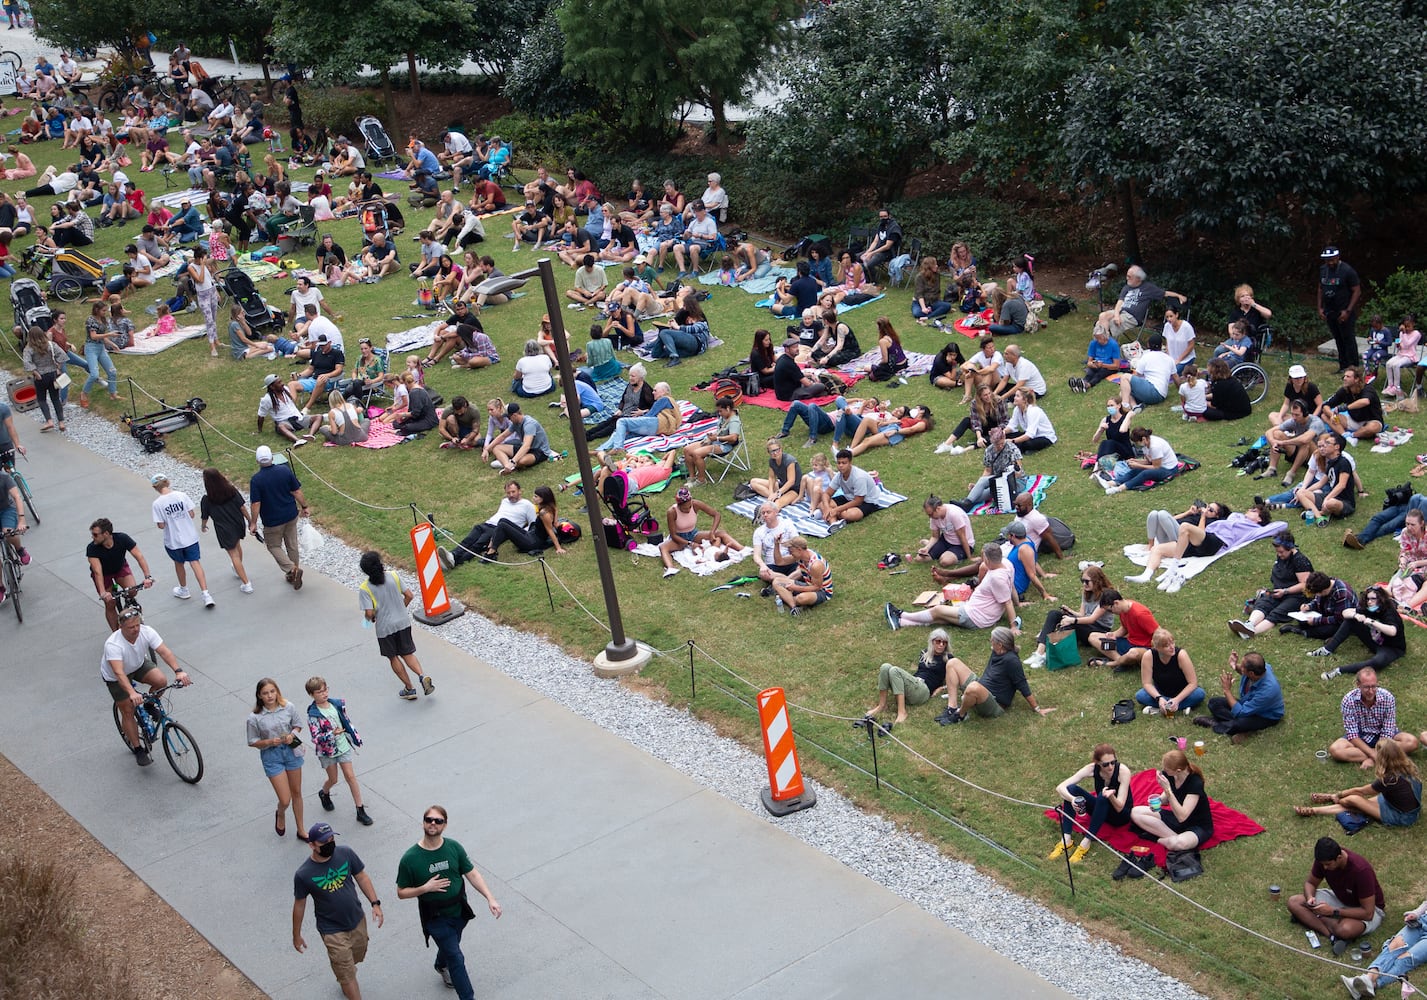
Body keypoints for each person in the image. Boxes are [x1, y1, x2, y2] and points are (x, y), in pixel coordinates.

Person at [395, 806, 503, 999]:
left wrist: (490, 898)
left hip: (459, 911)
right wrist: (425, 888)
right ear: (423, 823)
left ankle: (440, 965)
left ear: (445, 825)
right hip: (435, 918)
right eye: (429, 820)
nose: (433, 824)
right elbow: (401, 892)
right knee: (456, 957)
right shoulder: (410, 858)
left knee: (452, 946)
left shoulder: (454, 847)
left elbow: (472, 873)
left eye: (438, 821)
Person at [293, 821, 383, 1000]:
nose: (329, 844)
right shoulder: (303, 874)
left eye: (332, 839)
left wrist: (375, 903)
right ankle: (345, 978)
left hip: (357, 919)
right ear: (311, 845)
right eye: (324, 842)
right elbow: (299, 904)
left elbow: (362, 877)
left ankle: (345, 975)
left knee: (357, 955)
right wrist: (296, 934)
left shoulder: (345, 853)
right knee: (347, 973)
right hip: (332, 930)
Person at [102, 607, 191, 766]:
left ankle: (149, 705)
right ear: (121, 627)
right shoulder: (113, 644)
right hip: (117, 676)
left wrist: (179, 671)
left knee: (161, 681)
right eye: (131, 627)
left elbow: (164, 651)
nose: (136, 629)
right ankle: (138, 749)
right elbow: (119, 673)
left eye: (137, 625)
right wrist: (131, 693)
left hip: (137, 664)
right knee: (128, 710)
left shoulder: (146, 631)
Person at [886, 543, 1018, 632]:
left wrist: (1013, 626)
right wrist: (1020, 603)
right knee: (941, 618)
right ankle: (902, 622)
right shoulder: (1007, 564)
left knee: (937, 610)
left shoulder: (996, 578)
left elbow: (1007, 602)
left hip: (976, 616)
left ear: (988, 560)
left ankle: (901, 614)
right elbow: (1011, 587)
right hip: (977, 610)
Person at [1287, 837, 1385, 956]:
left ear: (1339, 858)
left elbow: (1368, 913)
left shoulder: (1361, 871)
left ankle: (1310, 917)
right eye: (1322, 864)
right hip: (1340, 897)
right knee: (1294, 902)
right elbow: (1310, 883)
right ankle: (1332, 936)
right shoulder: (1323, 860)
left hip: (1369, 909)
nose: (1325, 868)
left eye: (1328, 864)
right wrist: (1309, 898)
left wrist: (1333, 912)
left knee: (1345, 929)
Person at [357, 550, 433, 700]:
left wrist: (369, 619)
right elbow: (409, 595)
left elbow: (369, 613)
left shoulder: (365, 588)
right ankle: (422, 675)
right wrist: (400, 608)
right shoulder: (394, 575)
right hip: (403, 622)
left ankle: (409, 689)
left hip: (385, 628)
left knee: (393, 657)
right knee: (407, 653)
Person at [1297, 739, 1421, 829]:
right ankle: (1320, 805)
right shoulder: (1407, 768)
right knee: (1356, 804)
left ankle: (1323, 804)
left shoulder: (1390, 779)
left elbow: (1361, 791)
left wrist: (1341, 796)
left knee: (1352, 800)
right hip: (1395, 804)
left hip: (1400, 816)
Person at [939, 627, 1053, 723]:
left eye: (992, 640)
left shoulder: (1012, 661)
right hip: (981, 687)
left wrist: (1037, 708)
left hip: (994, 702)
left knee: (973, 687)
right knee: (952, 663)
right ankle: (952, 707)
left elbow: (1022, 684)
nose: (990, 641)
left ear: (1000, 644)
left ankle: (960, 715)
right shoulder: (996, 651)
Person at [305, 676, 372, 826]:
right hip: (327, 751)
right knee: (333, 779)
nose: (324, 694)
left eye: (325, 690)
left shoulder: (335, 705)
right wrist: (331, 734)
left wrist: (352, 735)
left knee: (350, 776)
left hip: (343, 746)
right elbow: (316, 737)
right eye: (319, 692)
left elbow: (345, 721)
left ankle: (360, 810)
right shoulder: (313, 715)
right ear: (312, 695)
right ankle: (324, 793)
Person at [1050, 744, 1133, 864]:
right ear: (1098, 763)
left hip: (1120, 816)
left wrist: (1111, 796)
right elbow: (1061, 787)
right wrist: (1072, 799)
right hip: (1101, 808)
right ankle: (1066, 839)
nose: (1110, 767)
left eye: (1113, 762)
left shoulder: (1123, 771)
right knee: (1072, 789)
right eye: (1105, 764)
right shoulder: (1091, 769)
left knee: (1102, 796)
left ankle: (1086, 842)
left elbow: (1120, 807)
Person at [248, 678, 309, 839]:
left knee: (297, 792)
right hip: (272, 755)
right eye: (265, 693)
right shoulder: (255, 717)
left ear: (277, 691)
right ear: (259, 696)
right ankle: (280, 812)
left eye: (272, 691)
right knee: (285, 799)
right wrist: (268, 741)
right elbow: (252, 741)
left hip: (290, 751)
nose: (270, 696)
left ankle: (301, 829)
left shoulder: (288, 707)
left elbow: (298, 725)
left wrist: (292, 735)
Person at [1024, 565, 1116, 669]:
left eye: (1087, 581)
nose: (1084, 584)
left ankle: (1050, 654)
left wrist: (1072, 620)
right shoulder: (1087, 592)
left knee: (1070, 623)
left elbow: (1092, 619)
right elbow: (1082, 615)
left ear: (1096, 581)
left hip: (1098, 629)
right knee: (1054, 614)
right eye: (1082, 581)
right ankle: (1039, 652)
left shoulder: (1106, 596)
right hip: (1086, 624)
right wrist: (1069, 611)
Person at [1128, 749, 1213, 862]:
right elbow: (1166, 799)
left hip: (1197, 825)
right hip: (1175, 819)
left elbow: (1182, 816)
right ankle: (1172, 837)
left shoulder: (1195, 783)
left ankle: (1160, 839)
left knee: (1178, 843)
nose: (1164, 770)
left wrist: (1167, 790)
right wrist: (1158, 800)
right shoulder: (1170, 776)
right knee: (1135, 812)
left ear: (1178, 770)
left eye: (1166, 769)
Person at [1228, 531, 1313, 638]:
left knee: (1277, 613)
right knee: (1264, 603)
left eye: (1281, 552)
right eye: (1277, 552)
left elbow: (1305, 585)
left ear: (1290, 548)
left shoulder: (1300, 560)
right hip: (1279, 591)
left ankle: (1250, 633)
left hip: (1297, 596)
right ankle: (1249, 624)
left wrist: (1285, 591)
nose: (1279, 554)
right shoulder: (1283, 557)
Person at [248, 444, 310, 590]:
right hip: (290, 514)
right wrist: (305, 506)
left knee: (273, 545)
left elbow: (256, 503)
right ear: (272, 457)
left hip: (272, 520)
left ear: (257, 461)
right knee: (292, 544)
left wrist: (253, 522)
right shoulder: (284, 471)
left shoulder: (256, 480)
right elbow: (296, 492)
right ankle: (293, 573)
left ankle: (291, 569)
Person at [1329, 669, 1419, 768]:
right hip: (1361, 736)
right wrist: (1373, 755)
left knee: (1412, 742)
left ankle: (1369, 756)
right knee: (1335, 750)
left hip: (1383, 735)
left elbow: (1388, 730)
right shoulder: (1348, 700)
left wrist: (1373, 756)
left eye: (1374, 686)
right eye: (1367, 687)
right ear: (1358, 685)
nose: (1371, 691)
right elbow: (1352, 734)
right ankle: (1386, 756)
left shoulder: (1387, 697)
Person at [862, 630, 953, 727]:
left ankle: (902, 712)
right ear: (932, 641)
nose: (941, 645)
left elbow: (953, 679)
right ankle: (882, 705)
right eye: (938, 641)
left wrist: (941, 688)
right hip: (914, 684)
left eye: (944, 642)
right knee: (885, 667)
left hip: (923, 691)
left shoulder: (948, 658)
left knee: (895, 670)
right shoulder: (925, 653)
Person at [1312, 586, 1406, 680]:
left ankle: (1339, 670)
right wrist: (1356, 615)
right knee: (1350, 620)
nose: (1369, 602)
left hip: (1391, 647)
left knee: (1378, 662)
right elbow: (1345, 612)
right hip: (1375, 640)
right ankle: (1327, 649)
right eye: (1368, 599)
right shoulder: (1369, 608)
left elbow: (1392, 631)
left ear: (1381, 599)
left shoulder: (1389, 612)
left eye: (1373, 599)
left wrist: (1373, 622)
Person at [149, 473, 213, 608]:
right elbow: (191, 513)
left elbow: (161, 525)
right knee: (195, 562)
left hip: (173, 540)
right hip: (189, 536)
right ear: (168, 482)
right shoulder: (181, 495)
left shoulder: (157, 504)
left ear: (155, 488)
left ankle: (184, 589)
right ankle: (206, 594)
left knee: (179, 563)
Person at [1341, 900, 1427, 999]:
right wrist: (1415, 913)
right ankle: (1368, 978)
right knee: (1393, 946)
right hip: (1422, 921)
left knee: (1404, 959)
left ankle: (1372, 985)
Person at [1194, 650, 1285, 743]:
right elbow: (1244, 672)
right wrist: (1235, 666)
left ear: (1251, 674)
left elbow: (1241, 712)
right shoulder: (1261, 669)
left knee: (1239, 724)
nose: (1240, 667)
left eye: (1242, 667)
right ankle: (1233, 725)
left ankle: (1218, 724)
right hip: (1248, 703)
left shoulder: (1268, 691)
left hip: (1264, 715)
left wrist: (1227, 690)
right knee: (1214, 703)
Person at [87, 517, 157, 631]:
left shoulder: (122, 538)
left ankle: (129, 601)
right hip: (104, 575)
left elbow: (139, 556)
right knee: (110, 603)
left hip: (119, 568)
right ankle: (116, 634)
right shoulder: (92, 548)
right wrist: (103, 593)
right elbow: (97, 571)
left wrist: (147, 577)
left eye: (95, 535)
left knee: (132, 591)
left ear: (106, 534)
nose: (92, 537)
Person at [657, 487, 744, 579]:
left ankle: (742, 549)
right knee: (663, 547)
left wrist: (712, 532)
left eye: (689, 507)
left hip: (693, 534)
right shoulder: (672, 512)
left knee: (721, 533)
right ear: (679, 505)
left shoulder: (696, 504)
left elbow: (716, 515)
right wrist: (690, 544)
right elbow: (674, 535)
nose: (687, 510)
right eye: (684, 509)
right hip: (679, 539)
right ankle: (671, 568)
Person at [199, 467, 253, 594]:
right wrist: (250, 520)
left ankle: (246, 583)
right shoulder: (231, 490)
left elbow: (204, 516)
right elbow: (243, 508)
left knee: (233, 554)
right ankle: (238, 567)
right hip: (237, 523)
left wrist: (203, 526)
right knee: (237, 545)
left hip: (224, 529)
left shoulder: (207, 499)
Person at [1133, 628, 1205, 716]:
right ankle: (1175, 708)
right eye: (1166, 646)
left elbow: (1193, 683)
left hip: (1181, 692)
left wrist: (1177, 699)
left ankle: (1164, 708)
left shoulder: (1181, 655)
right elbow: (1147, 683)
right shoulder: (1149, 656)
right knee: (1140, 695)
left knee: (1199, 694)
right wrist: (1159, 698)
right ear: (1157, 648)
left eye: (1172, 642)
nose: (1172, 647)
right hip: (1160, 691)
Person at [1093, 265, 1175, 341]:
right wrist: (1117, 315)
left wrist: (1179, 296)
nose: (1127, 278)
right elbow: (1120, 302)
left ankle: (1102, 347)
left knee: (1102, 324)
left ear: (1138, 278)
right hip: (1121, 312)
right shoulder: (1127, 287)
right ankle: (1105, 345)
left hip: (1132, 317)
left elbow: (1165, 293)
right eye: (1127, 276)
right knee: (1102, 316)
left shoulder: (1148, 288)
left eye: (1129, 277)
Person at [1086, 589, 1160, 672]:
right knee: (1093, 637)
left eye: (1110, 610)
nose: (1111, 613)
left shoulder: (1140, 613)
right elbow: (1125, 628)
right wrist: (1114, 635)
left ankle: (1112, 663)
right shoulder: (1123, 610)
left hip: (1144, 648)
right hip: (1129, 642)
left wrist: (1155, 655)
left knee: (1133, 653)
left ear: (1116, 603)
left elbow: (1159, 633)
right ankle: (1123, 661)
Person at [954, 426, 1021, 510]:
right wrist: (979, 486)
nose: (1000, 446)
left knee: (987, 488)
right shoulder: (989, 450)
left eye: (1002, 443)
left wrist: (1013, 470)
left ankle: (965, 503)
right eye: (997, 444)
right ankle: (967, 503)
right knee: (987, 487)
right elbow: (988, 471)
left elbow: (1018, 473)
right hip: (998, 480)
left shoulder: (1012, 449)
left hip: (1014, 481)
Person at [1319, 247, 1363, 370]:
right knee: (1338, 338)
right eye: (1327, 260)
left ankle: (1353, 366)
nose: (1330, 263)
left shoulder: (1347, 271)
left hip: (1344, 311)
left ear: (1338, 257)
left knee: (1348, 338)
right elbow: (1320, 288)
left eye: (1332, 260)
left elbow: (1357, 291)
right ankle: (1343, 365)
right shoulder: (1323, 270)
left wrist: (1348, 310)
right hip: (1329, 310)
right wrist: (1320, 307)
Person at [768, 535, 831, 616]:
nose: (790, 553)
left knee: (801, 598)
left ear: (799, 550)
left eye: (791, 551)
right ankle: (793, 607)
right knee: (776, 581)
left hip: (822, 591)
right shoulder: (800, 556)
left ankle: (785, 597)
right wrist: (776, 544)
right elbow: (779, 562)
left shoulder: (815, 565)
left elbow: (817, 587)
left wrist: (795, 588)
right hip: (808, 584)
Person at [683, 397, 741, 485]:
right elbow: (719, 430)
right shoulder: (724, 416)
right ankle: (692, 477)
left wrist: (717, 438)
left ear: (728, 408)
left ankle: (701, 480)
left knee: (697, 453)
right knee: (687, 449)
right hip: (715, 441)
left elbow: (733, 438)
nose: (719, 413)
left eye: (721, 411)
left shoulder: (734, 421)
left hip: (725, 446)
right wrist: (713, 436)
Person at [937, 383, 1007, 455]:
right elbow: (975, 421)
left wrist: (997, 431)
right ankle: (947, 444)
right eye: (985, 395)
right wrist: (979, 437)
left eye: (989, 393)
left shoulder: (999, 401)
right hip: (982, 426)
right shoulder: (975, 403)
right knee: (966, 420)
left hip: (996, 428)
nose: (988, 396)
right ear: (980, 397)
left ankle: (968, 448)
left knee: (995, 438)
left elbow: (1004, 420)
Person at [1319, 366, 1383, 445]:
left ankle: (1353, 435)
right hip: (1353, 420)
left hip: (1372, 420)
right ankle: (1346, 436)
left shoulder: (1367, 389)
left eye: (1348, 377)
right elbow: (1326, 405)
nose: (1344, 378)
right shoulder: (1344, 390)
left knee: (1373, 427)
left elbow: (1365, 401)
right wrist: (1331, 414)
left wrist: (1345, 407)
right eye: (1344, 376)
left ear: (1356, 379)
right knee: (1324, 415)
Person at [1105, 426, 1178, 494]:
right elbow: (1148, 461)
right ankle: (1112, 483)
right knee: (1136, 470)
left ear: (1143, 439)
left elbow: (1156, 467)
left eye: (1137, 442)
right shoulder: (1146, 445)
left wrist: (1138, 465)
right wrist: (1135, 461)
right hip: (1158, 465)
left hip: (1169, 469)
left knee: (1145, 473)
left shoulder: (1155, 447)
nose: (1137, 445)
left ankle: (1121, 488)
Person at [815, 449, 879, 525]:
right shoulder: (839, 476)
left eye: (844, 463)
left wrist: (836, 509)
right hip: (849, 498)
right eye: (839, 463)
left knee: (850, 515)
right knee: (822, 504)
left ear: (850, 463)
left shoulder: (859, 477)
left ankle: (829, 515)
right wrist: (827, 507)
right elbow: (827, 494)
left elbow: (858, 501)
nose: (841, 465)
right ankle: (833, 523)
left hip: (867, 502)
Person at [21, 326, 66, 432]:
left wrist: (35, 372)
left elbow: (27, 362)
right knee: (55, 398)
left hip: (40, 376)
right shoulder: (50, 344)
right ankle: (61, 422)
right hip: (53, 373)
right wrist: (58, 367)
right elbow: (62, 355)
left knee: (41, 399)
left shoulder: (29, 348)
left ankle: (49, 421)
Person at [913, 494, 975, 570]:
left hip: (961, 545)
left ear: (938, 509)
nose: (930, 517)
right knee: (919, 558)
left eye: (931, 514)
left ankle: (947, 553)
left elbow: (962, 537)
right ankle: (935, 547)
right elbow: (935, 536)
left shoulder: (954, 514)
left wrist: (970, 558)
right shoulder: (934, 517)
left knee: (944, 561)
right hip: (946, 540)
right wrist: (927, 548)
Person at [1117, 333, 1176, 410]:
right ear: (1161, 345)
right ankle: (1135, 407)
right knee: (1123, 392)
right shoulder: (1169, 359)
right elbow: (1176, 377)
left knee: (1124, 377)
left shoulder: (1146, 357)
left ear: (1148, 345)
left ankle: (1124, 406)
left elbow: (1137, 375)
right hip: (1161, 396)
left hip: (1153, 390)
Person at [1070, 326, 1123, 392]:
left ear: (1105, 336)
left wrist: (1103, 365)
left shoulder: (1113, 345)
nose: (1098, 341)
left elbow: (1116, 366)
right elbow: (1089, 360)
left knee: (1100, 374)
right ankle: (1082, 383)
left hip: (1109, 366)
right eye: (1096, 338)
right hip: (1097, 363)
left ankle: (1088, 385)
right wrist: (1090, 364)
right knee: (1090, 372)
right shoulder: (1093, 343)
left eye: (1099, 338)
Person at [858, 207, 902, 279]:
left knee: (869, 264)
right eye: (881, 217)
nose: (883, 218)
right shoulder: (881, 225)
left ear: (889, 216)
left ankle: (872, 281)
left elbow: (887, 246)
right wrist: (868, 252)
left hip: (888, 253)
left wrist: (872, 253)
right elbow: (875, 241)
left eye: (885, 216)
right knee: (857, 257)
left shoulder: (894, 228)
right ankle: (858, 278)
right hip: (877, 249)